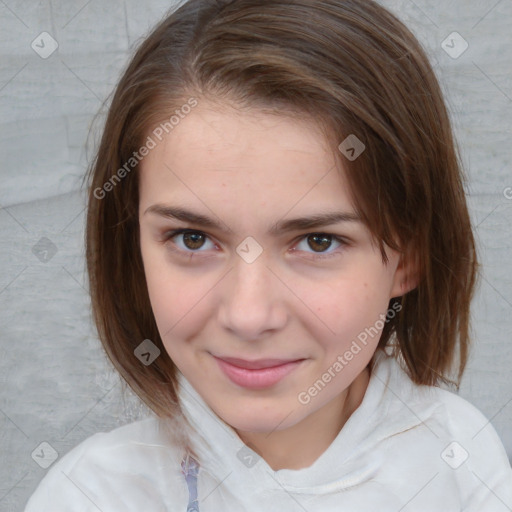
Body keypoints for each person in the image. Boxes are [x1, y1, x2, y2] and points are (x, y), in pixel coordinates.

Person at [24, 0, 512, 510]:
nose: (249, 316)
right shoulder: (90, 496)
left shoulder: (461, 465)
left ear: (408, 257)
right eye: (193, 238)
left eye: (317, 241)